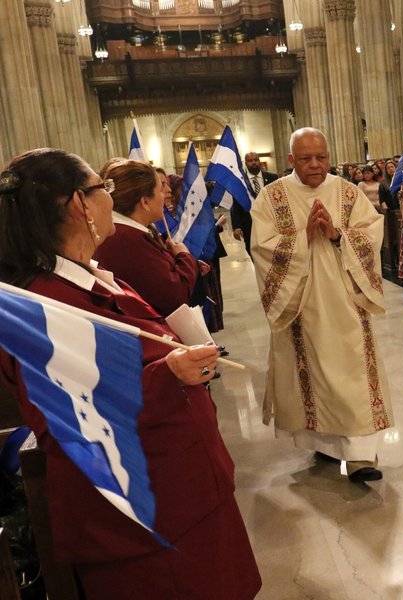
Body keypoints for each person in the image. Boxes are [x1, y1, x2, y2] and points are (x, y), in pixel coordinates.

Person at [0, 148, 260, 599]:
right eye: (103, 189)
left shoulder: (95, 277)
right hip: (144, 520)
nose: (110, 198)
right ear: (81, 205)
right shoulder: (42, 304)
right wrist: (169, 374)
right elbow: (59, 417)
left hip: (185, 493)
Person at [250, 128, 393, 483]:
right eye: (305, 158)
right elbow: (262, 248)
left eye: (321, 157)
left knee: (354, 375)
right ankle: (326, 445)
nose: (315, 165)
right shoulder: (272, 197)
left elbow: (372, 233)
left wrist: (336, 234)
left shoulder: (347, 192)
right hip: (301, 304)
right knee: (311, 378)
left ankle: (361, 456)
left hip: (347, 301)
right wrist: (303, 237)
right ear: (290, 160)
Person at [93, 160, 200, 317]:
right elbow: (176, 297)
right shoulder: (127, 241)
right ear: (145, 202)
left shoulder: (128, 233)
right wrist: (185, 257)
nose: (164, 196)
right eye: (159, 191)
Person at [232, 152, 278, 258]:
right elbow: (236, 204)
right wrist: (236, 226)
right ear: (246, 163)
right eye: (250, 160)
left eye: (256, 160)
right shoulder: (240, 182)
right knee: (254, 253)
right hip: (249, 224)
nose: (254, 163)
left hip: (271, 222)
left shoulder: (273, 178)